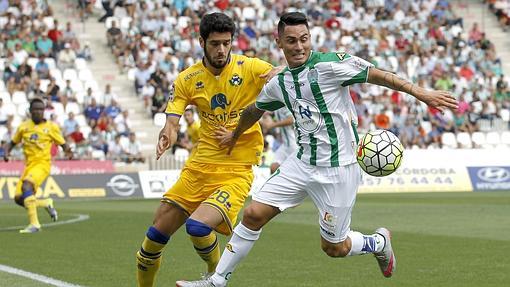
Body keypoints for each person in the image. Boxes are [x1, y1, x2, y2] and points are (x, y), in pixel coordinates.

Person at [176, 12, 458, 287]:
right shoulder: (281, 82)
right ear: (279, 43)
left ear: (310, 39)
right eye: (291, 40)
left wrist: (422, 93)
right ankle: (217, 281)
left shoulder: (331, 65)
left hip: (338, 170)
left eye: (304, 39)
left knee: (335, 247)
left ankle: (378, 242)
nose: (298, 46)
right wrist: (235, 135)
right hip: (301, 164)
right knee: (252, 215)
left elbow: (378, 75)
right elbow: (254, 110)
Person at [135, 12, 282, 287]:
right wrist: (168, 133)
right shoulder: (187, 79)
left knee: (199, 227)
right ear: (201, 41)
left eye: (226, 43)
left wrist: (278, 71)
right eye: (215, 43)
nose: (221, 50)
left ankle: (217, 276)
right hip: (198, 169)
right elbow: (173, 117)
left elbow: (280, 72)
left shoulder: (249, 67)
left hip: (235, 171)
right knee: (151, 242)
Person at [2, 98, 73, 233]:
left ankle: (34, 224)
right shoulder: (23, 127)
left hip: (42, 165)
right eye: (36, 109)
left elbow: (63, 144)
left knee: (27, 185)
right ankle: (45, 202)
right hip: (29, 166)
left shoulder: (51, 127)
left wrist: (68, 151)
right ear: (30, 111)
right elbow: (11, 143)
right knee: (18, 198)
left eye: (41, 109)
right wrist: (6, 152)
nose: (39, 112)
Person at [262, 108, 296, 174]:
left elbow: (291, 120)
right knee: (273, 168)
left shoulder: (285, 105)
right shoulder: (278, 106)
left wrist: (272, 125)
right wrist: (270, 113)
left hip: (293, 144)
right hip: (285, 144)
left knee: (294, 171)